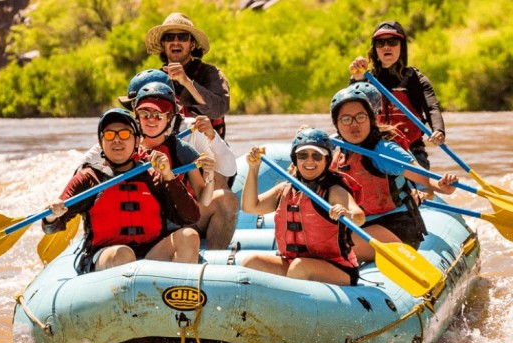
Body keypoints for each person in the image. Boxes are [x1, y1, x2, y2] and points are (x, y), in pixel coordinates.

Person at [42, 108, 201, 273]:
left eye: (124, 134)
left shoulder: (153, 176)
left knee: (189, 236)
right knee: (123, 255)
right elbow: (51, 227)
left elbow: (191, 217)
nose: (117, 140)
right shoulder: (89, 179)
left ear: (137, 141)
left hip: (151, 257)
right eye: (110, 135)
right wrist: (52, 215)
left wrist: (169, 176)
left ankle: (176, 296)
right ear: (101, 142)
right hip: (106, 258)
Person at [330, 85, 459, 262]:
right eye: (346, 119)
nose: (354, 124)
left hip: (396, 227)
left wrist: (442, 186)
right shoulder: (336, 148)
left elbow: (425, 178)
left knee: (331, 247)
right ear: (336, 124)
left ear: (371, 119)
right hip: (361, 226)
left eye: (360, 117)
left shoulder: (384, 150)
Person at [240, 128, 365, 286]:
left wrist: (347, 214)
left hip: (337, 268)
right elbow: (250, 207)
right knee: (251, 263)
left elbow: (359, 216)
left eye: (317, 156)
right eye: (303, 155)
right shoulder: (286, 189)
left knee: (300, 267)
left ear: (327, 160)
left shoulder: (333, 190)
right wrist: (253, 168)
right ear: (295, 159)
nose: (309, 161)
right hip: (294, 264)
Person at [135, 81, 239, 250]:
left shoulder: (182, 149)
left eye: (158, 115)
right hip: (141, 221)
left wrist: (209, 174)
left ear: (169, 117)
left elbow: (204, 199)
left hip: (174, 220)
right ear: (137, 116)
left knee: (226, 200)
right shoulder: (124, 144)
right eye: (145, 114)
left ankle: (213, 266)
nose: (151, 120)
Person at [349, 20, 446, 169]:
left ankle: (424, 190)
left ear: (401, 46)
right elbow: (349, 109)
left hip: (412, 150)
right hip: (375, 151)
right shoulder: (366, 80)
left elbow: (432, 107)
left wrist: (438, 130)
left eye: (392, 41)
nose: (386, 46)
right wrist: (355, 80)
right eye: (380, 43)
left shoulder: (416, 79)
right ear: (375, 49)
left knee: (422, 190)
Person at [118, 68, 238, 187]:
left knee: (223, 193)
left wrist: (212, 136)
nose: (150, 117)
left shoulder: (192, 129)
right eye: (141, 109)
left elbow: (229, 169)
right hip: (144, 197)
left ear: (170, 109)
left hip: (184, 197)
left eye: (157, 109)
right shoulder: (124, 132)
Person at [144, 12, 230, 139]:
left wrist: (186, 82)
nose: (176, 42)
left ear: (193, 44)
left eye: (183, 37)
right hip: (167, 153)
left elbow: (218, 110)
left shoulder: (211, 74)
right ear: (163, 44)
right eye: (169, 37)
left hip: (207, 152)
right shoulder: (155, 80)